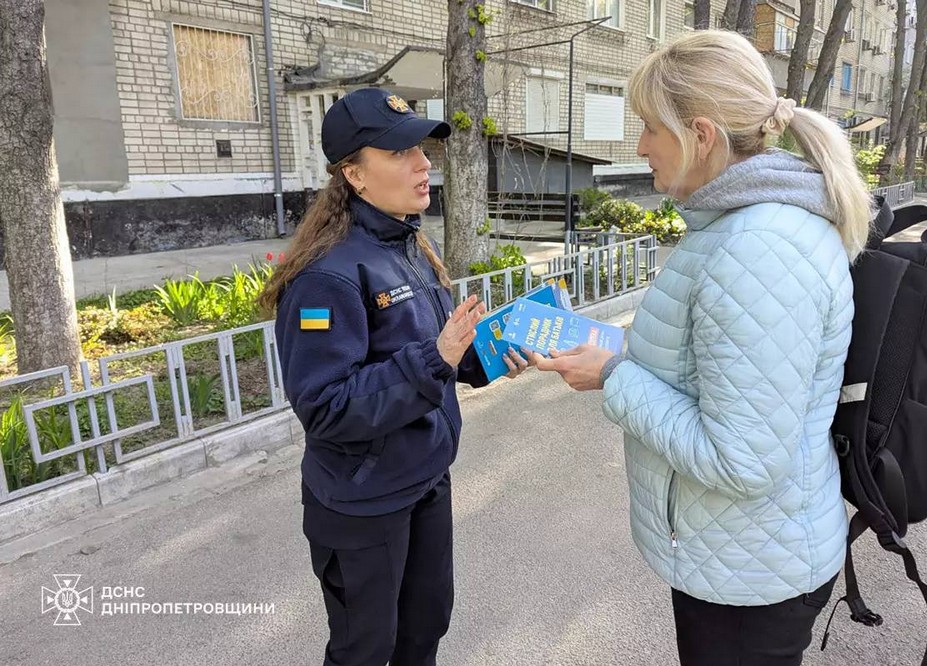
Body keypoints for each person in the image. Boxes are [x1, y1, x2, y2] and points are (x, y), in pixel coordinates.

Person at [533, 30, 872, 665]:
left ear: (701, 134)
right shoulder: (740, 228)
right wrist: (621, 352)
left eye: (649, 128)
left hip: (752, 579)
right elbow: (714, 359)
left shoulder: (757, 250)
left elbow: (741, 460)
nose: (639, 147)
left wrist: (614, 378)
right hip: (739, 558)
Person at [258, 87, 529, 666]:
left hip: (424, 479)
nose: (424, 163)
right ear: (354, 174)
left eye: (422, 148)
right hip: (362, 503)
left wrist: (482, 355)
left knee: (424, 628)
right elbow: (327, 406)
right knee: (365, 649)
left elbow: (426, 357)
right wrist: (436, 359)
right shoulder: (325, 278)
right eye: (401, 152)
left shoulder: (407, 244)